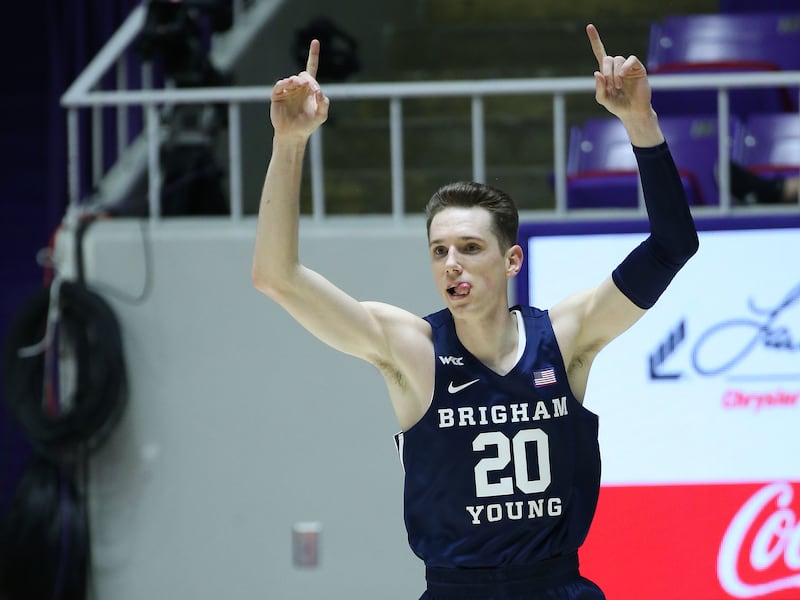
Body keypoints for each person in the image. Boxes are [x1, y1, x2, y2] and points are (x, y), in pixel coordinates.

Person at [251, 23, 699, 600]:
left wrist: (641, 123)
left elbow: (672, 244)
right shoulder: (411, 348)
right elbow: (276, 277)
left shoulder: (564, 338)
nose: (451, 265)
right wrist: (289, 144)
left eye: (469, 248)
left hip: (556, 586)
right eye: (439, 251)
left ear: (512, 260)